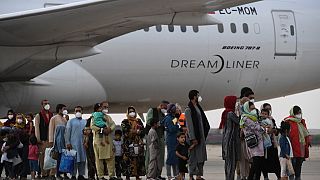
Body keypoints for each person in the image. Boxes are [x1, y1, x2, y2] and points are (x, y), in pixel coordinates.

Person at [185, 90, 210, 180]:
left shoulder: (198, 108)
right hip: (195, 139)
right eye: (198, 95)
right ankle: (191, 176)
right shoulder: (188, 110)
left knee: (201, 158)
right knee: (193, 158)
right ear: (194, 97)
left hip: (201, 137)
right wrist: (193, 138)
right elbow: (189, 125)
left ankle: (199, 175)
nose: (199, 97)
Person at [91, 101, 117, 180]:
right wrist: (102, 129)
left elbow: (113, 124)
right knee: (99, 160)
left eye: (107, 107)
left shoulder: (108, 117)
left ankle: (112, 175)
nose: (106, 108)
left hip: (108, 141)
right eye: (104, 107)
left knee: (111, 159)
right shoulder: (94, 116)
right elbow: (92, 126)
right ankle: (100, 176)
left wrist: (109, 129)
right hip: (99, 141)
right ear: (100, 107)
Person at [284, 106, 310, 180]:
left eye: (300, 112)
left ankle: (298, 178)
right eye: (297, 113)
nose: (299, 114)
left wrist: (308, 142)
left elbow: (305, 134)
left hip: (301, 148)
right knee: (292, 168)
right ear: (293, 113)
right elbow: (285, 136)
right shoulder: (288, 121)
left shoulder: (301, 122)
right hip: (292, 149)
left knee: (299, 167)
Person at [240, 101, 264, 180]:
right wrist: (262, 128)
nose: (253, 110)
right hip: (253, 142)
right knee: (256, 163)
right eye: (251, 109)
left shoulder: (254, 117)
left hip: (259, 142)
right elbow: (255, 127)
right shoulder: (245, 118)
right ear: (247, 108)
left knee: (258, 163)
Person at [145, 100, 169, 180]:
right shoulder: (152, 110)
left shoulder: (163, 114)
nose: (165, 109)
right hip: (152, 136)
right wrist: (158, 123)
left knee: (160, 157)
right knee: (151, 156)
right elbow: (148, 121)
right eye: (165, 107)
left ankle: (158, 174)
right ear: (161, 105)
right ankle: (149, 174)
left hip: (161, 136)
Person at [121, 106, 145, 180]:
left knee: (138, 159)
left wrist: (136, 132)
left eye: (133, 111)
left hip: (138, 143)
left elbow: (143, 131)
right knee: (127, 159)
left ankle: (137, 175)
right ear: (127, 113)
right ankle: (128, 176)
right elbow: (125, 131)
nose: (132, 113)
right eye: (130, 111)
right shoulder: (124, 121)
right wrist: (135, 131)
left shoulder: (139, 121)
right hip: (128, 144)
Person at [235, 88, 253, 180]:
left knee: (248, 158)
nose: (252, 100)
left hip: (249, 136)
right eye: (250, 98)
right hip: (242, 136)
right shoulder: (238, 106)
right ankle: (242, 176)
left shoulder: (249, 106)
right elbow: (239, 119)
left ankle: (246, 175)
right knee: (242, 158)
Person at [65, 106, 87, 180]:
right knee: (74, 160)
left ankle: (81, 175)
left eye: (79, 111)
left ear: (82, 112)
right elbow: (67, 133)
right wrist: (68, 142)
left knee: (82, 159)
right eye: (76, 111)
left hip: (83, 144)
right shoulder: (70, 121)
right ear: (74, 112)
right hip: (73, 144)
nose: (78, 112)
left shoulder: (85, 121)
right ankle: (73, 175)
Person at [221, 96, 240, 180]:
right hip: (231, 141)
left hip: (226, 140)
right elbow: (240, 121)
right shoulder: (231, 114)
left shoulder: (225, 112)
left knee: (228, 163)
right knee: (231, 164)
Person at [260, 107, 281, 179]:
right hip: (262, 145)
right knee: (264, 163)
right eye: (262, 113)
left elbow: (276, 131)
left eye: (269, 109)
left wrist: (272, 130)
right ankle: (266, 177)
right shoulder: (259, 120)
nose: (264, 114)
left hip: (272, 144)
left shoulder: (271, 120)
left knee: (275, 162)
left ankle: (279, 176)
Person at [34, 99, 53, 178]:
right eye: (45, 103)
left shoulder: (52, 115)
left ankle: (49, 173)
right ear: (42, 105)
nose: (47, 105)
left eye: (48, 103)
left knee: (50, 157)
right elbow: (37, 128)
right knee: (42, 158)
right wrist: (38, 139)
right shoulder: (38, 115)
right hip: (42, 140)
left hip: (50, 140)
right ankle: (44, 173)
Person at [48, 104, 68, 179]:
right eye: (64, 109)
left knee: (63, 157)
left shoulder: (64, 119)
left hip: (64, 142)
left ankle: (63, 173)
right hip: (57, 142)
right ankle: (56, 174)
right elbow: (51, 130)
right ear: (59, 110)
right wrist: (51, 141)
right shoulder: (54, 118)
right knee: (57, 158)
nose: (65, 110)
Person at [163, 103, 180, 180]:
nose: (176, 109)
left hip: (174, 139)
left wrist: (177, 118)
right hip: (171, 140)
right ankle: (169, 175)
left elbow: (174, 124)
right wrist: (177, 127)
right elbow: (172, 129)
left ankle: (176, 175)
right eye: (175, 108)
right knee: (170, 158)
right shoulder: (168, 118)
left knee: (175, 158)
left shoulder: (172, 117)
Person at [13, 113, 29, 180]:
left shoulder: (26, 126)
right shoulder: (14, 127)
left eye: (21, 117)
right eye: (18, 118)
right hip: (16, 146)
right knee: (17, 161)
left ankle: (23, 176)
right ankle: (15, 174)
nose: (19, 119)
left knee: (24, 160)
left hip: (25, 145)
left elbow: (28, 135)